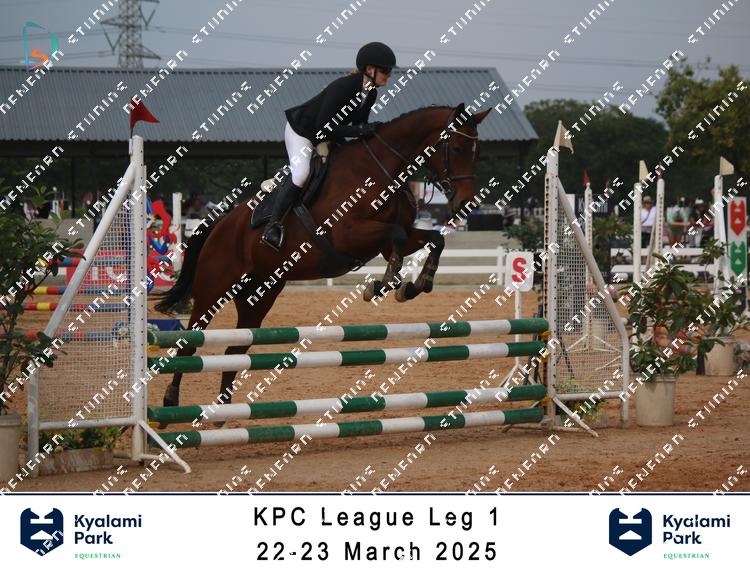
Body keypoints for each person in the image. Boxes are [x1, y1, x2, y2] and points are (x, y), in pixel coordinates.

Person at [261, 42, 396, 251]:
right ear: (370, 70)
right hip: (303, 131)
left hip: (326, 134)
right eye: (385, 71)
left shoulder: (370, 93)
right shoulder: (345, 86)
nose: (389, 76)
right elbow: (324, 127)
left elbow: (358, 125)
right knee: (301, 174)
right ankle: (272, 226)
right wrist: (362, 130)